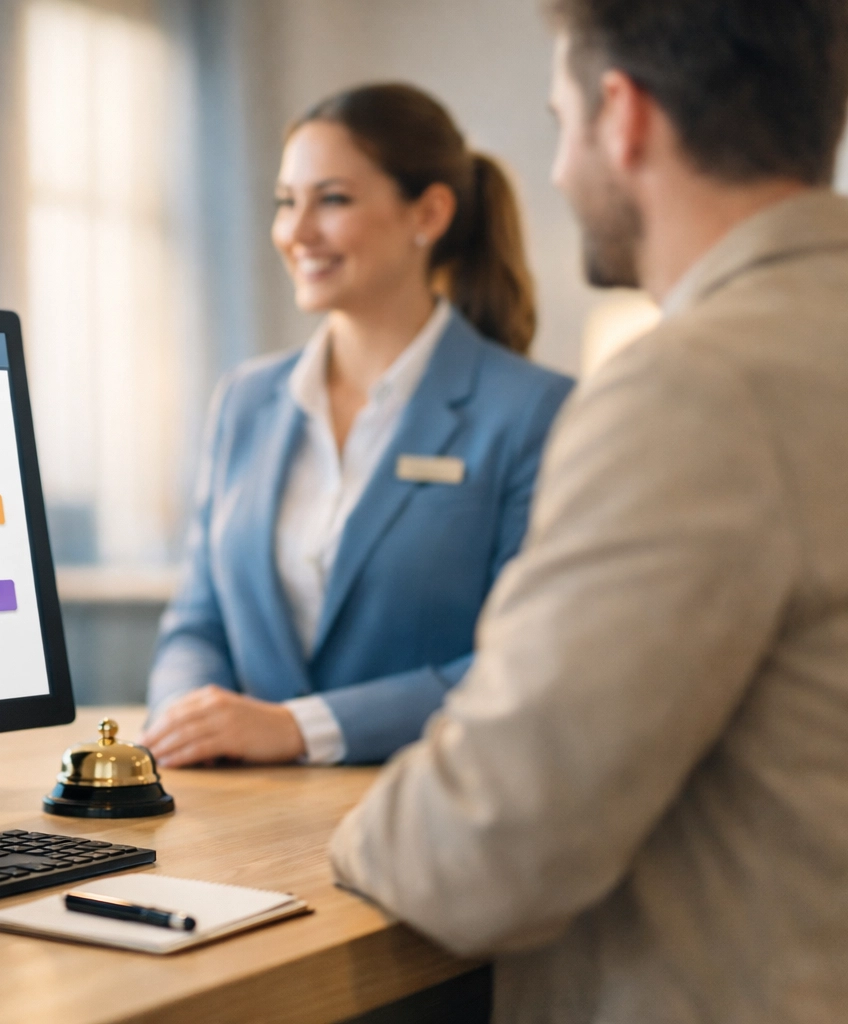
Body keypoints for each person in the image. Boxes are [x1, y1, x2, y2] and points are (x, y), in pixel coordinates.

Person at [329, 1, 848, 1020]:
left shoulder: (695, 388)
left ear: (624, 115)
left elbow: (485, 843)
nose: (559, 171)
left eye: (560, 122)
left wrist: (347, 831)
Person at [141, 85, 574, 769]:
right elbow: (197, 622)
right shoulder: (245, 400)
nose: (296, 231)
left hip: (426, 806)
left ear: (428, 213)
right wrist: (186, 718)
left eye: (333, 200)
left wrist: (298, 728)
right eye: (287, 201)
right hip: (237, 805)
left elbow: (527, 660)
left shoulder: (535, 413)